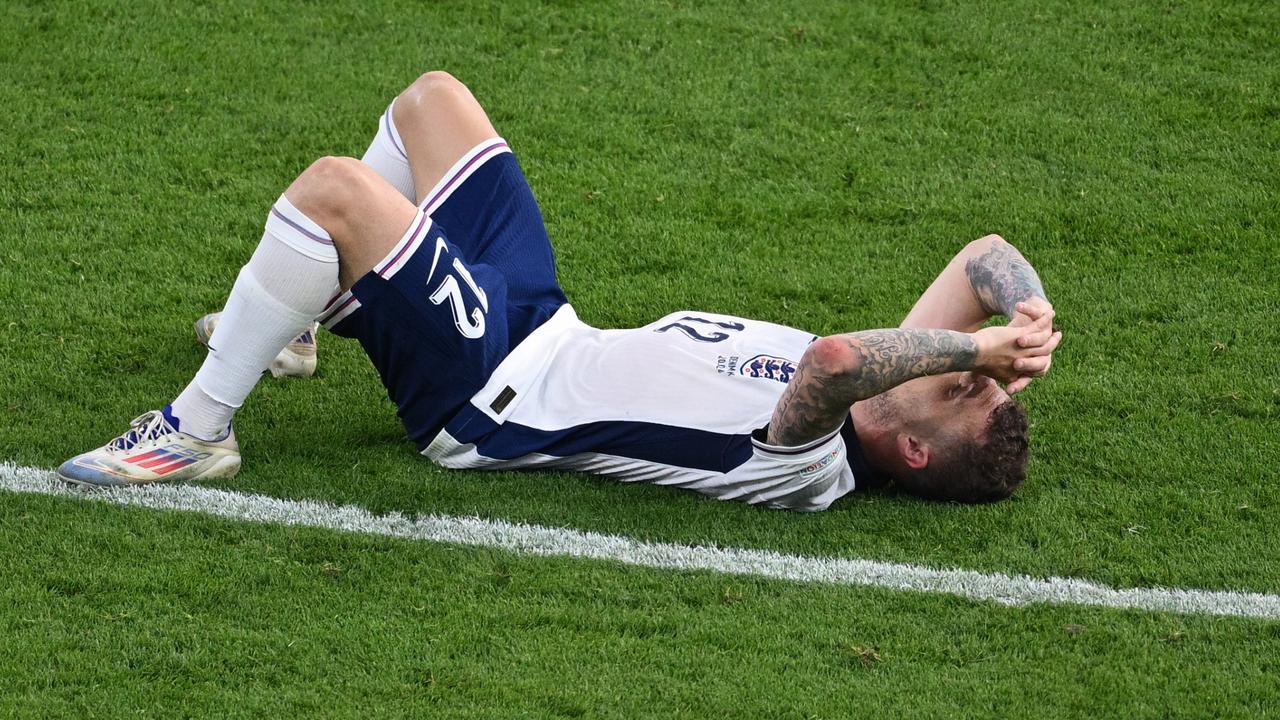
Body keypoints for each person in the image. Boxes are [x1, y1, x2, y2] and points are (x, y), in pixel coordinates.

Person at [58, 72, 1060, 510]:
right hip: (543, 322)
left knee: (334, 190)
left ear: (914, 447)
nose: (968, 373)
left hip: (488, 396)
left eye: (962, 393)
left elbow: (837, 358)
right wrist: (1022, 310)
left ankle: (196, 430)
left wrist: (977, 354)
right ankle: (306, 316)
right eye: (976, 377)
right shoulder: (903, 395)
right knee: (430, 103)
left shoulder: (813, 464)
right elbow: (982, 255)